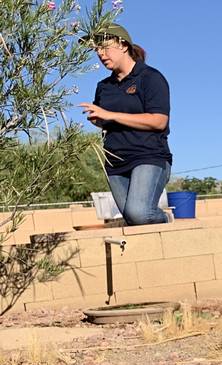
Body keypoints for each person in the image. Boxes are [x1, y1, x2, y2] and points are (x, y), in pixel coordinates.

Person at [79, 24, 172, 226]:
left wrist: (110, 114)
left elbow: (159, 121)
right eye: (96, 50)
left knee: (139, 213)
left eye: (104, 47)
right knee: (132, 219)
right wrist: (98, 119)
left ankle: (165, 218)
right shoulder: (103, 87)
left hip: (149, 157)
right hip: (115, 162)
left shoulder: (150, 78)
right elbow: (107, 119)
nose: (100, 54)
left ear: (122, 45)